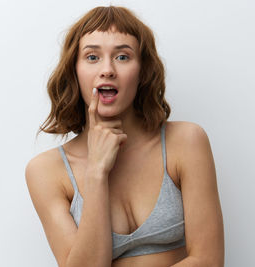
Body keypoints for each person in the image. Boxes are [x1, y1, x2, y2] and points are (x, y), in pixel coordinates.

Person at [25, 5, 224, 267]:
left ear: (142, 71)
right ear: (74, 70)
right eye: (92, 57)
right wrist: (96, 171)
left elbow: (209, 260)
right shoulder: (46, 171)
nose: (107, 69)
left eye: (122, 57)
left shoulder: (186, 141)